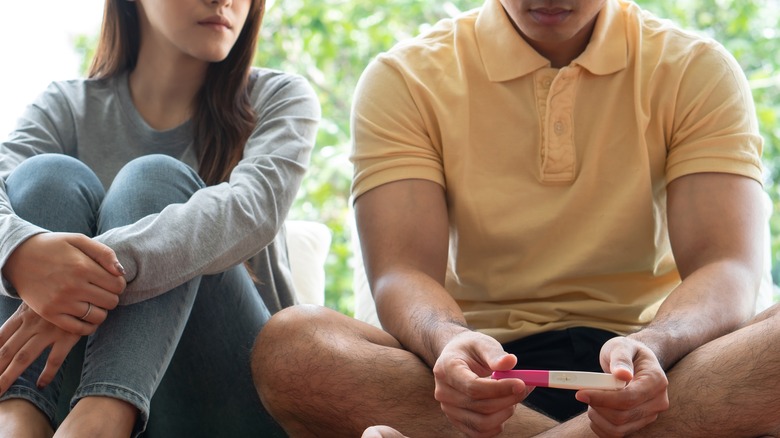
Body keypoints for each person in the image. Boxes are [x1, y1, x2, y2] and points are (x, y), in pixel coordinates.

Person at [252, 0, 780, 436]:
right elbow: (401, 271)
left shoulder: (696, 67)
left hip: (657, 370)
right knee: (293, 347)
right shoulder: (405, 77)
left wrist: (655, 345)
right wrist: (450, 345)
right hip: (481, 375)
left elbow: (728, 264)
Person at [0, 0, 319, 436]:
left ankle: (102, 417)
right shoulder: (66, 106)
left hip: (229, 398)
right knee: (45, 178)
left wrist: (77, 275)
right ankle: (18, 417)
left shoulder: (279, 98)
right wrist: (21, 252)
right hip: (63, 399)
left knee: (154, 179)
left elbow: (251, 210)